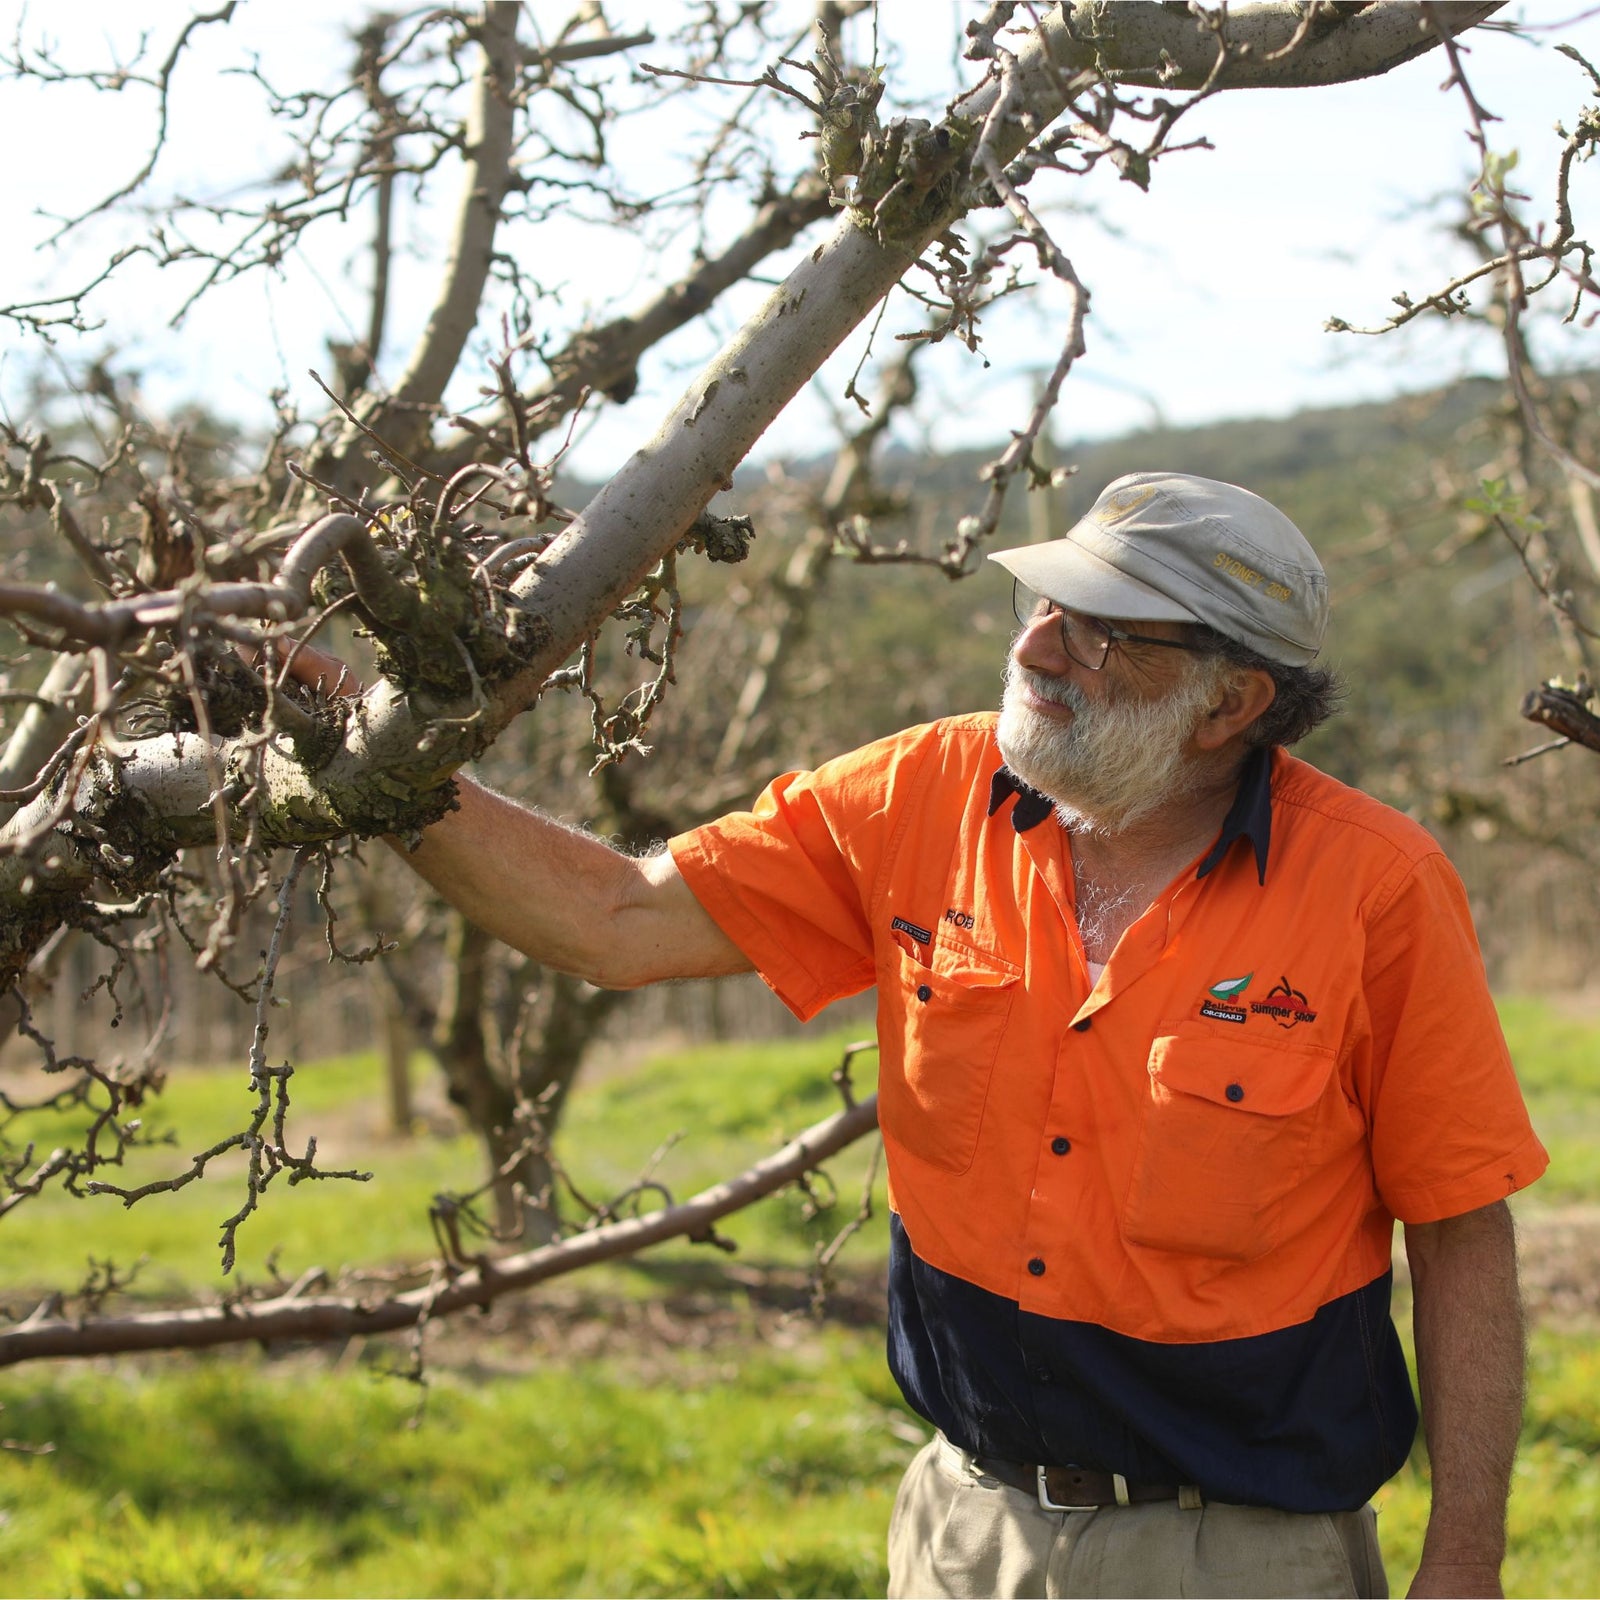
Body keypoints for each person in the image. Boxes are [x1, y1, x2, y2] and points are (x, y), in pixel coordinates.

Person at [382, 471, 1547, 1599]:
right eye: (1045, 607)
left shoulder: (1374, 888)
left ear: (1231, 703)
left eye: (1101, 635)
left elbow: (1458, 1233)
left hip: (1236, 1557)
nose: (1039, 649)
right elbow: (616, 919)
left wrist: (1463, 1564)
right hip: (964, 1531)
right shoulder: (923, 794)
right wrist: (369, 757)